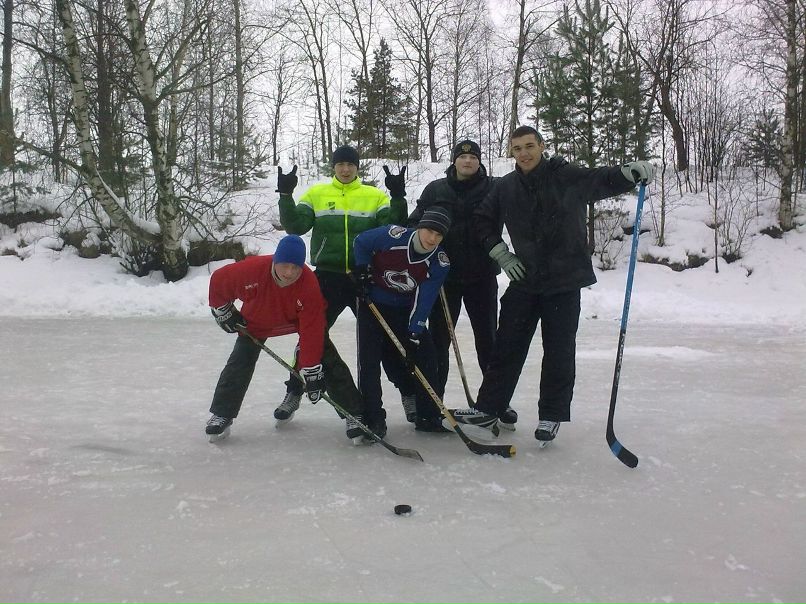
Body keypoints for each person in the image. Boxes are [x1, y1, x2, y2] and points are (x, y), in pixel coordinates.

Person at [451, 125, 654, 446]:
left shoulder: (564, 175)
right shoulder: (506, 187)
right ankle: (488, 408)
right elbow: (482, 220)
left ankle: (551, 414)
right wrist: (500, 253)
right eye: (517, 148)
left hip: (564, 280)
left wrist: (627, 173)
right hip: (525, 279)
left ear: (542, 146)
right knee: (506, 347)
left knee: (559, 350)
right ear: (511, 152)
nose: (524, 153)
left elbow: (599, 180)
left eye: (529, 146)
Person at [276, 146, 409, 433]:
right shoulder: (317, 194)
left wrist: (398, 196)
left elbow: (394, 229)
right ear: (333, 167)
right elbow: (295, 227)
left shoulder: (374, 196)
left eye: (350, 164)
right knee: (311, 336)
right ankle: (294, 390)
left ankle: (407, 392)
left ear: (357, 167)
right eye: (340, 164)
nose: (345, 169)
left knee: (382, 338)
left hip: (364, 277)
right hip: (327, 277)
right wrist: (285, 195)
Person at [407, 139, 514, 426]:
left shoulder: (494, 187)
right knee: (439, 341)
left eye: (473, 157)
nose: (468, 161)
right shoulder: (436, 189)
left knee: (488, 340)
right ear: (454, 160)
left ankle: (495, 402)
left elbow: (522, 202)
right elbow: (415, 224)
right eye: (463, 156)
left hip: (482, 276)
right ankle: (433, 402)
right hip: (445, 278)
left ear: (480, 161)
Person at [205, 235, 329, 440]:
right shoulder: (252, 270)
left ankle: (349, 412)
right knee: (239, 362)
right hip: (256, 323)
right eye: (285, 266)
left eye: (295, 267)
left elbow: (312, 327)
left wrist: (311, 369)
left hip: (294, 320)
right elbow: (219, 280)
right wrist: (223, 310)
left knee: (321, 353)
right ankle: (222, 414)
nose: (289, 273)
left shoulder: (308, 283)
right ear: (275, 261)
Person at [352, 207, 454, 438]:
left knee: (427, 357)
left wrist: (414, 331)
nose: (432, 238)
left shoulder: (440, 262)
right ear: (419, 227)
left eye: (438, 235)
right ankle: (373, 418)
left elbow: (425, 297)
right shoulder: (392, 236)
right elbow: (361, 242)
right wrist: (362, 269)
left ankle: (427, 415)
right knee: (369, 361)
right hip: (373, 304)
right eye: (429, 231)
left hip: (405, 309)